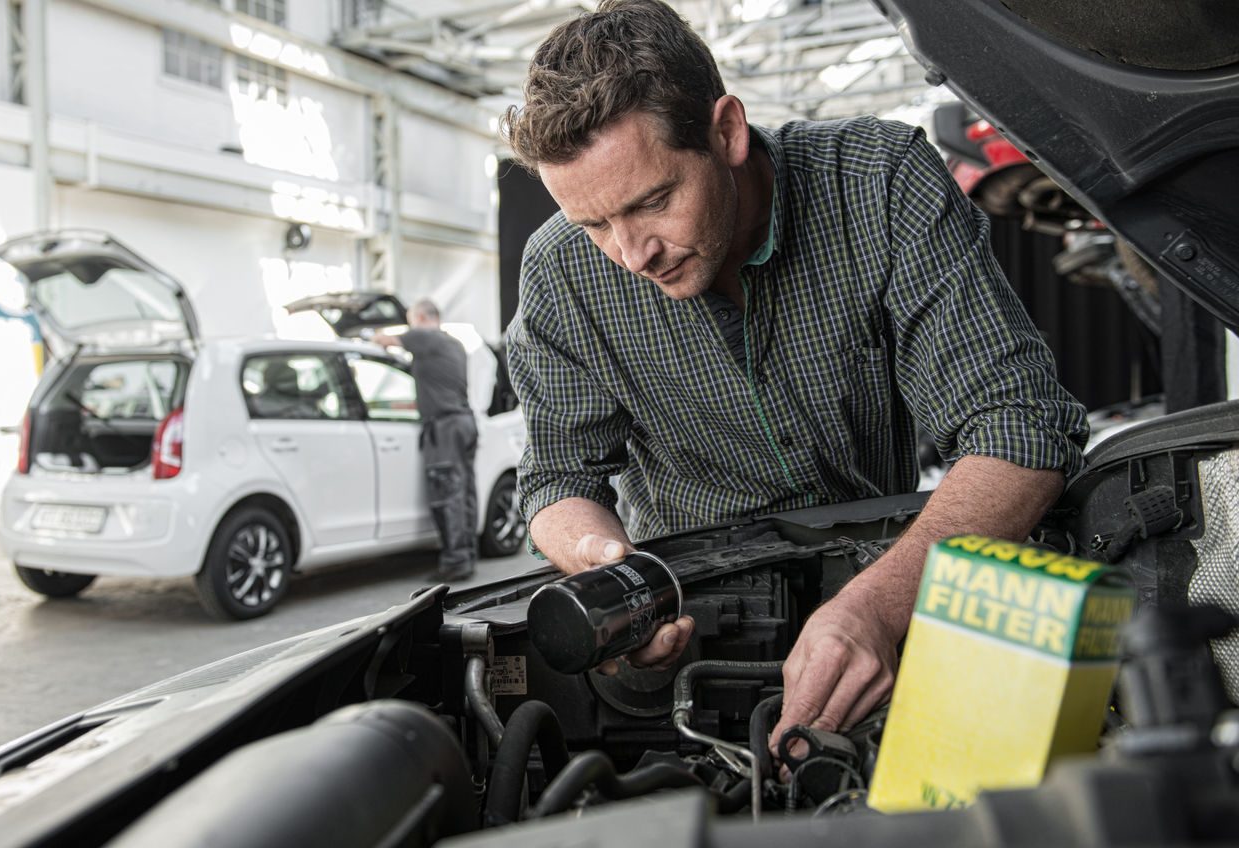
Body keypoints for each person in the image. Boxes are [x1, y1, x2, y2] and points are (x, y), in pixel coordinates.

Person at [500, 0, 1088, 751]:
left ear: (727, 132)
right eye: (592, 224)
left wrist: (879, 605)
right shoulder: (559, 273)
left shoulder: (880, 184)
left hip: (897, 589)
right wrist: (608, 570)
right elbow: (557, 486)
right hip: (692, 631)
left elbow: (1022, 429)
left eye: (653, 202)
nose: (630, 253)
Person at [375, 300, 479, 581]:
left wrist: (372, 337)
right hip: (463, 422)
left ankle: (456, 562)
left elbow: (383, 339)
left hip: (444, 427)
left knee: (448, 493)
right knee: (465, 491)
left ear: (420, 317)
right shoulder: (453, 344)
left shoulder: (424, 336)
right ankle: (467, 553)